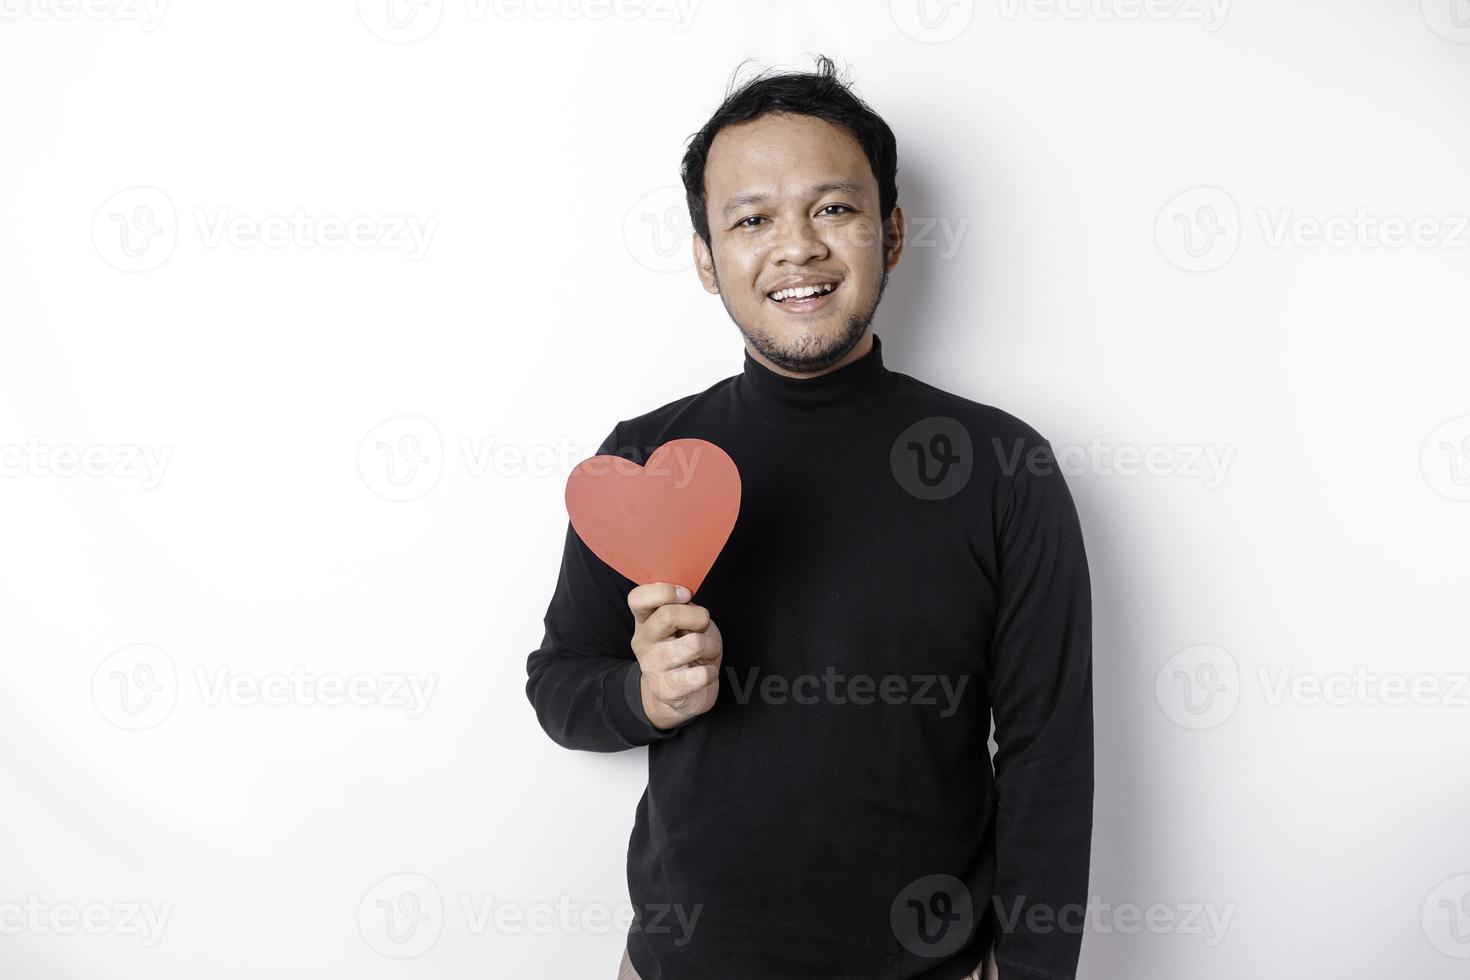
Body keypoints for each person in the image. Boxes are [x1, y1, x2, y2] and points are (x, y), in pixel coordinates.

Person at [526, 55, 1093, 980]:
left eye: (833, 208)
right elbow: (559, 683)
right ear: (708, 259)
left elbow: (1049, 757)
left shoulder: (1004, 468)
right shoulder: (641, 460)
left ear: (892, 231)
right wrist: (644, 696)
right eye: (751, 219)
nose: (797, 247)